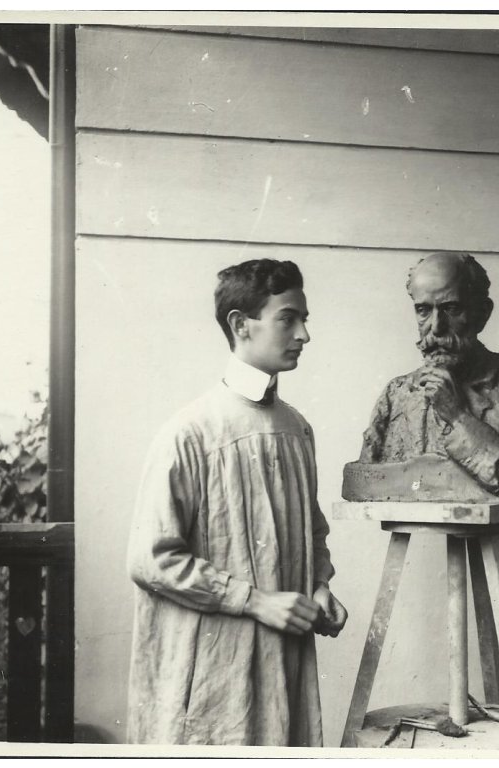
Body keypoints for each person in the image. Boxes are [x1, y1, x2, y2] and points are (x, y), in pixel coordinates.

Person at [126, 259, 347, 746]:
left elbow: (311, 529)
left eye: (304, 319)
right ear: (240, 325)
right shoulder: (190, 433)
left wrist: (318, 585)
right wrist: (255, 601)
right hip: (213, 668)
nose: (304, 334)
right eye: (287, 319)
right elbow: (151, 559)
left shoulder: (297, 429)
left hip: (281, 662)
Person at [359, 251, 499, 506]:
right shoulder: (396, 394)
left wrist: (458, 417)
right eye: (423, 310)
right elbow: (363, 483)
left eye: (451, 309)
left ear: (482, 313)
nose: (436, 327)